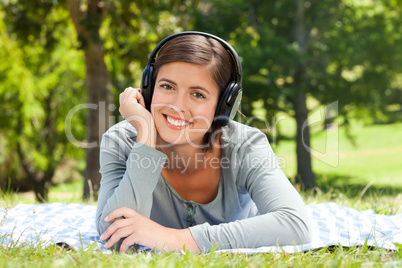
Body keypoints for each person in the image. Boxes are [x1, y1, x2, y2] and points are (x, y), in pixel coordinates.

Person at [96, 31, 311, 253]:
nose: (177, 106)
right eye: (167, 86)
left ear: (223, 106)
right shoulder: (121, 141)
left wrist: (174, 238)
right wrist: (146, 138)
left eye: (198, 94)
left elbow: (295, 224)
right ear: (149, 88)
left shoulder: (246, 146)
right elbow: (113, 236)